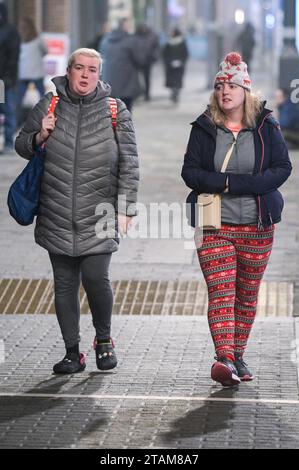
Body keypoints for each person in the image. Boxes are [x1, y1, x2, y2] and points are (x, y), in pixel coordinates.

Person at [15, 48, 139, 374]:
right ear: (68, 71)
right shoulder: (49, 103)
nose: (85, 75)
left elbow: (129, 163)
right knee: (64, 285)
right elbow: (21, 144)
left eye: (92, 70)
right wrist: (40, 134)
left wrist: (126, 209)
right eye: (79, 68)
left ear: (100, 74)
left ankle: (103, 340)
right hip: (56, 210)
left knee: (97, 279)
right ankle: (73, 352)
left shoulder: (115, 110)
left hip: (99, 212)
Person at [182, 52, 292, 387]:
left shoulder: (266, 125)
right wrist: (227, 184)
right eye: (219, 86)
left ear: (246, 90)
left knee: (246, 295)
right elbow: (190, 172)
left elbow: (282, 168)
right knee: (220, 292)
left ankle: (238, 354)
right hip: (214, 224)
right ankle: (225, 358)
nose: (224, 91)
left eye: (231, 85)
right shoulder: (204, 126)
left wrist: (234, 183)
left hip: (258, 227)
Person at [100, 19, 146, 112]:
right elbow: (139, 59)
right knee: (126, 108)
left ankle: (113, 124)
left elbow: (101, 56)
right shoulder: (130, 41)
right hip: (127, 80)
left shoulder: (105, 40)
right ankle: (124, 125)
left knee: (112, 107)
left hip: (109, 79)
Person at [17, 17, 48, 125]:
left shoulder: (19, 39)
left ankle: (18, 121)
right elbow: (45, 51)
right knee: (43, 98)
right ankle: (46, 118)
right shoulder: (38, 38)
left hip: (23, 73)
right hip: (37, 72)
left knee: (19, 98)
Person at [0, 3, 20, 152]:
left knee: (7, 110)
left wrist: (9, 77)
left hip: (4, 80)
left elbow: (13, 57)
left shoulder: (10, 32)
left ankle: (8, 142)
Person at [134, 23, 160, 101]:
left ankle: (147, 94)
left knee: (147, 78)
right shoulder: (135, 37)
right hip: (136, 60)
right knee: (136, 79)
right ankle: (139, 92)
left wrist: (154, 57)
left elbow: (156, 48)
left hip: (147, 61)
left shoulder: (152, 36)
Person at [163, 27, 189, 104]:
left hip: (179, 66)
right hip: (170, 65)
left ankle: (176, 94)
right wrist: (168, 62)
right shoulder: (168, 43)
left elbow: (185, 54)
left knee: (177, 80)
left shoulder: (182, 42)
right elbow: (165, 54)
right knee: (172, 81)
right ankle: (173, 93)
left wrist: (181, 62)